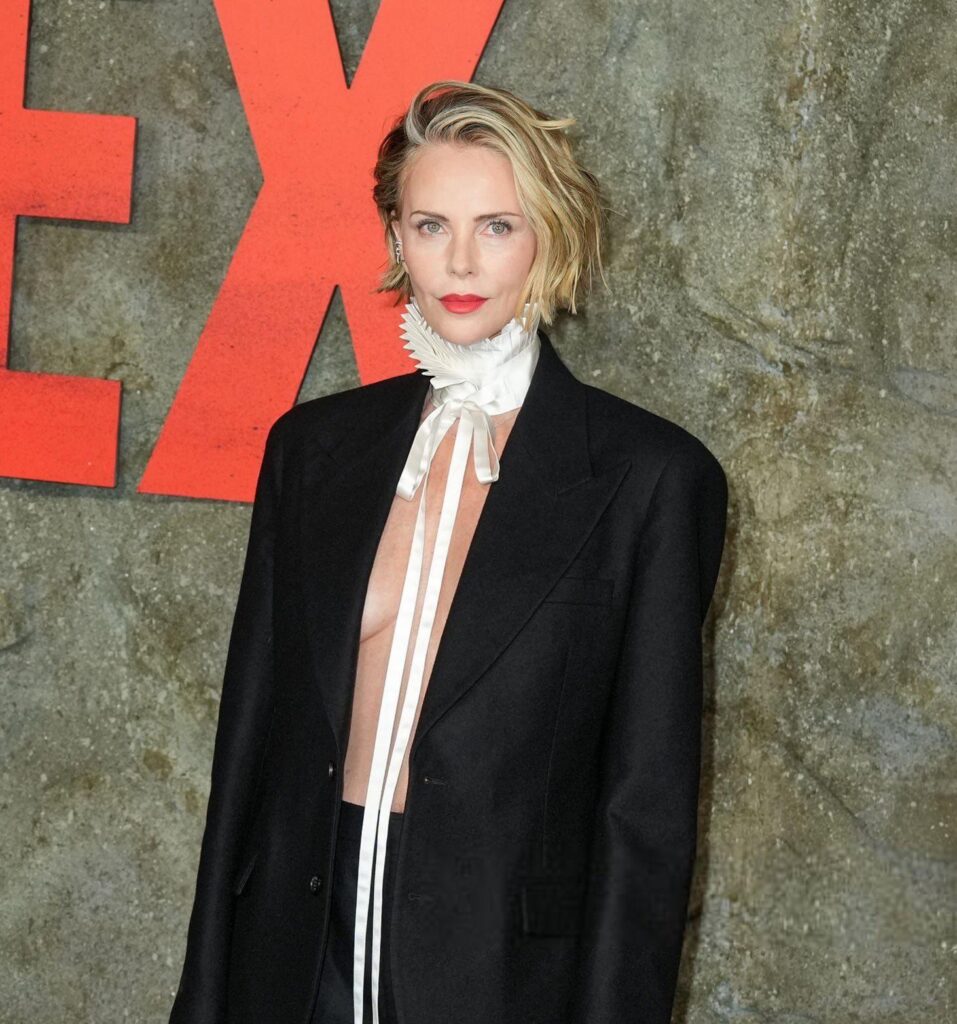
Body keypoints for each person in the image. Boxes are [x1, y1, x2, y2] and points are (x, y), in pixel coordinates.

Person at [168, 80, 729, 1024]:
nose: (460, 260)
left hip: (498, 976)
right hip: (292, 951)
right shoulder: (312, 450)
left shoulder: (650, 479)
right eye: (431, 224)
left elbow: (646, 815)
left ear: (549, 236)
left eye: (497, 226)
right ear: (395, 236)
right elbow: (248, 753)